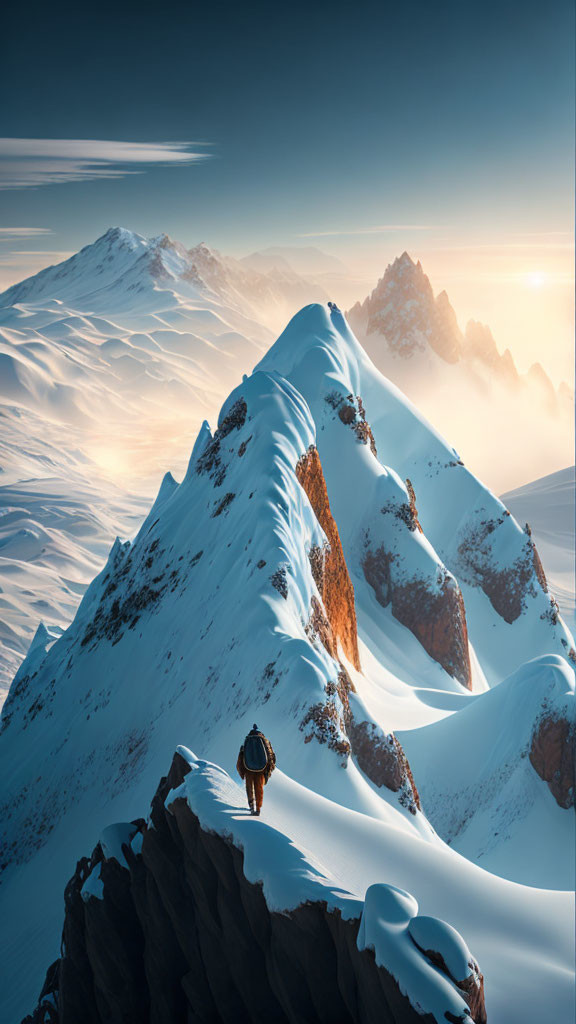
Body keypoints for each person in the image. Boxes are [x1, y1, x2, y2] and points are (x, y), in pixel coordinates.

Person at [236, 723, 276, 815]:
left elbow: (241, 758)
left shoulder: (247, 741)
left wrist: (242, 772)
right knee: (259, 788)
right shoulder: (264, 741)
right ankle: (258, 808)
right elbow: (271, 756)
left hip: (248, 768)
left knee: (249, 787)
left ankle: (251, 806)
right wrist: (268, 771)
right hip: (261, 769)